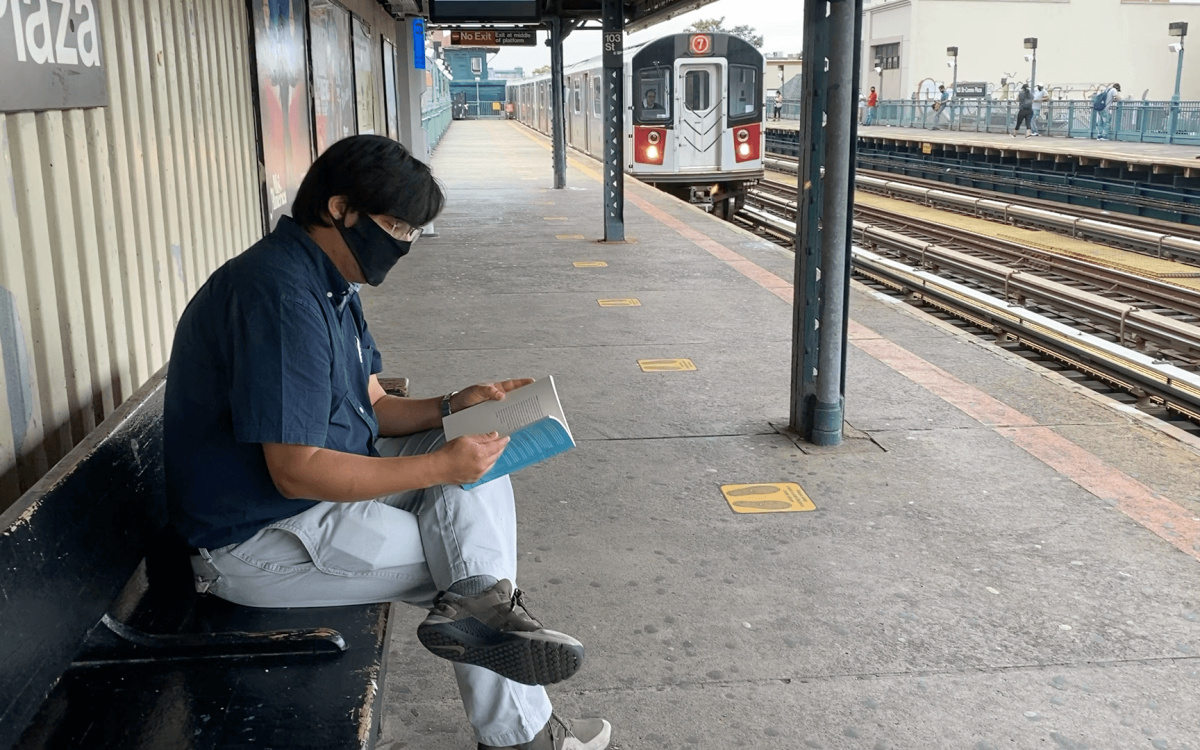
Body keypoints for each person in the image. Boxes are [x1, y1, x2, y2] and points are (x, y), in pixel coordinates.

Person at [164, 135, 612, 750]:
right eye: (395, 224)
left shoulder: (326, 281)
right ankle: (523, 734)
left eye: (412, 229)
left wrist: (454, 406)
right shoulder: (280, 297)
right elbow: (296, 471)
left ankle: (496, 649)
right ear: (339, 207)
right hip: (258, 541)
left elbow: (372, 403)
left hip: (314, 501)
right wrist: (437, 466)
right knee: (462, 564)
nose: (402, 242)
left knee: (476, 475)